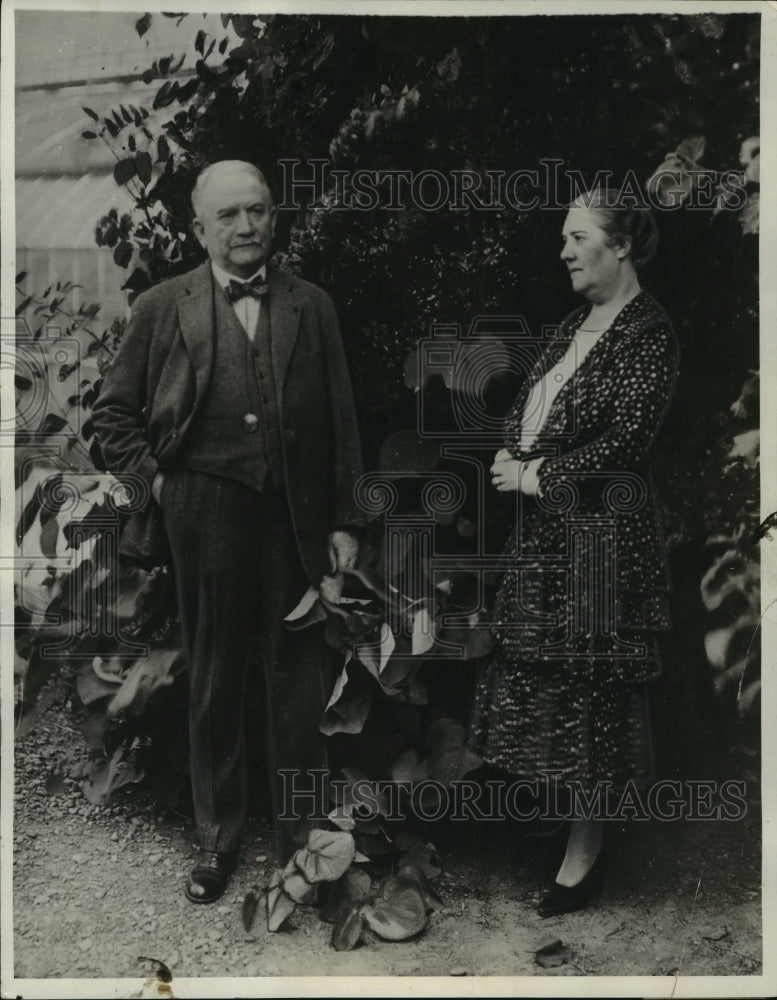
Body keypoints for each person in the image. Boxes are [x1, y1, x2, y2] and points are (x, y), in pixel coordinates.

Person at [92, 159, 362, 903]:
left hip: (294, 523)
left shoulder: (313, 306)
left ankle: (303, 846)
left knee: (297, 684)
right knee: (213, 679)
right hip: (202, 518)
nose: (247, 227)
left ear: (274, 217)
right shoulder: (161, 306)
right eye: (230, 216)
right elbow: (110, 415)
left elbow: (342, 421)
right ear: (199, 228)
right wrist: (161, 483)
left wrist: (344, 521)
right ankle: (216, 843)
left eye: (259, 211)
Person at [469, 188, 679, 916]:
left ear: (620, 246)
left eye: (578, 236)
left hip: (599, 543)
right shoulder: (570, 325)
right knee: (549, 682)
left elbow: (625, 443)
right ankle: (566, 831)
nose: (563, 250)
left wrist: (531, 474)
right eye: (563, 236)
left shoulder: (646, 333)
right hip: (546, 539)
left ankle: (584, 855)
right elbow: (528, 407)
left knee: (590, 692)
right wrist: (509, 455)